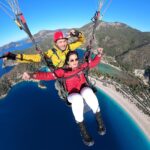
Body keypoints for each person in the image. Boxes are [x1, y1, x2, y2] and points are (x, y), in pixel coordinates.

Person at [22, 48, 106, 146]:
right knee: (78, 99)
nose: (74, 62)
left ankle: (100, 121)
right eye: (72, 60)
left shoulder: (81, 66)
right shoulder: (62, 71)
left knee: (88, 91)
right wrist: (32, 75)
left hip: (83, 89)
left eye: (76, 59)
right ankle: (83, 130)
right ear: (67, 62)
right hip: (72, 95)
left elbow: (93, 63)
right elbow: (47, 76)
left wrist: (99, 54)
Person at [3, 29, 85, 68]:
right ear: (56, 43)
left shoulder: (69, 47)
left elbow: (81, 40)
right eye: (60, 42)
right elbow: (34, 58)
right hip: (60, 71)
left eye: (64, 41)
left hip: (71, 67)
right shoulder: (51, 53)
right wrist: (14, 57)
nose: (63, 44)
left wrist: (78, 34)